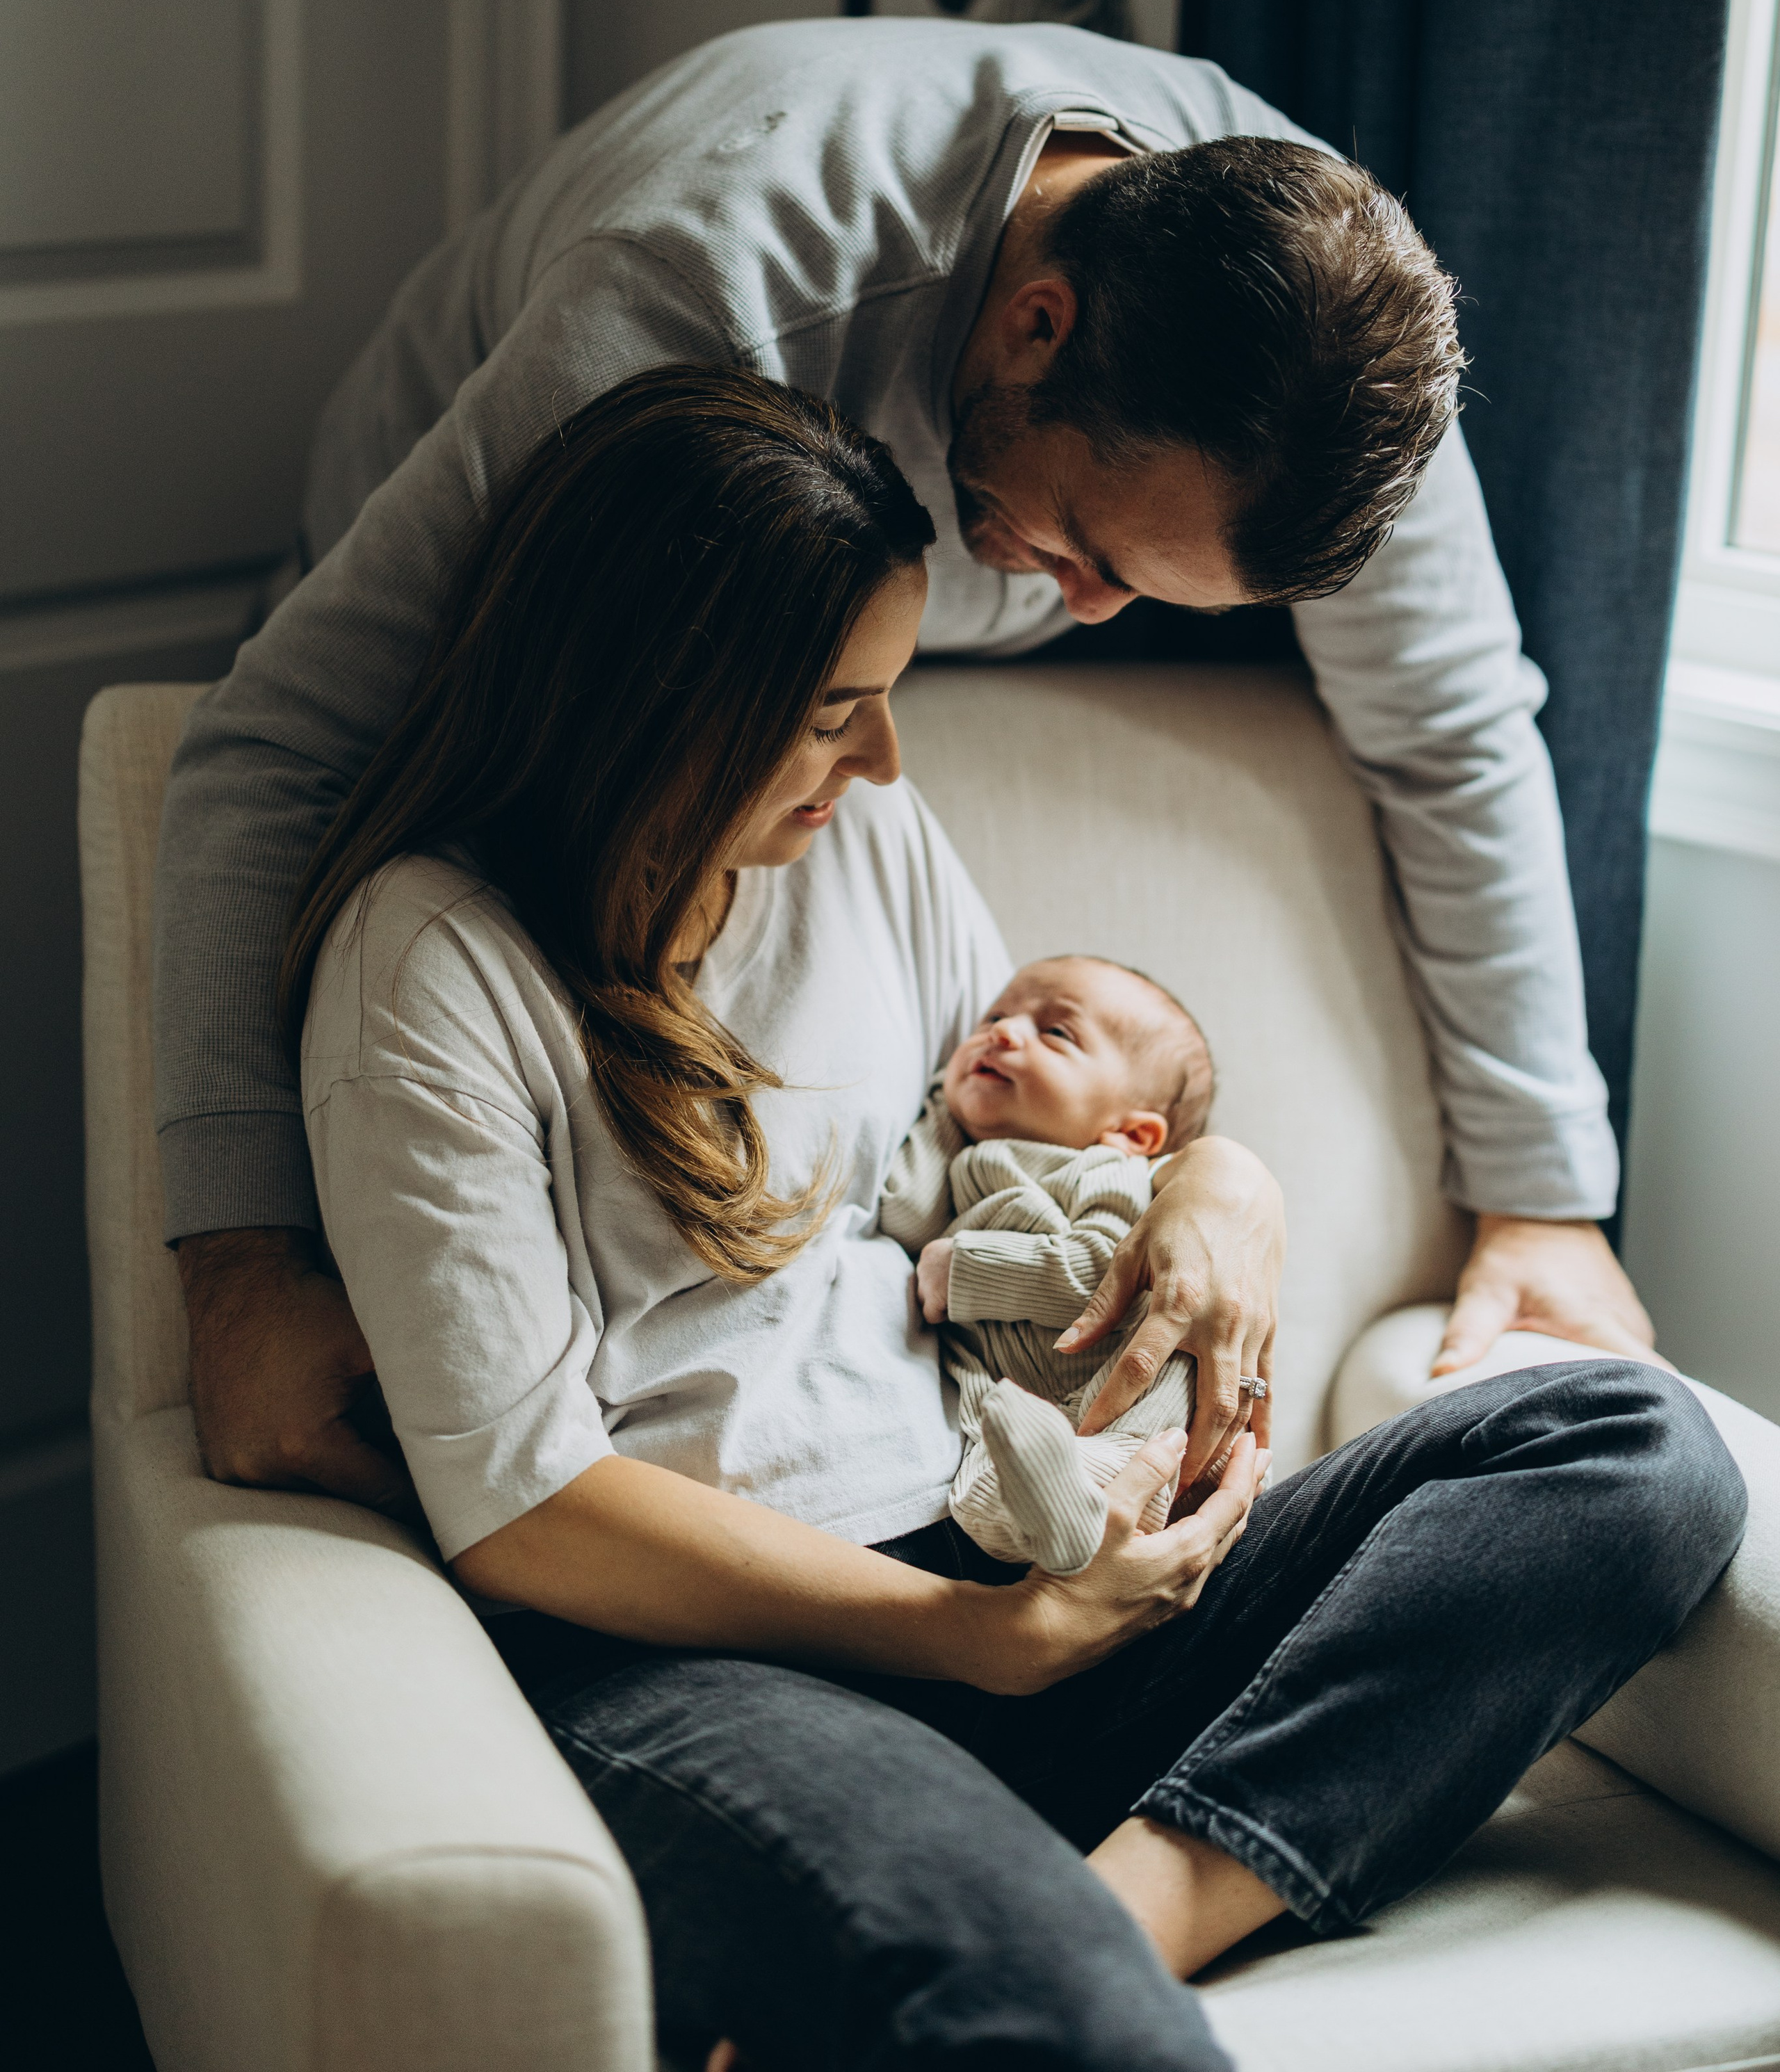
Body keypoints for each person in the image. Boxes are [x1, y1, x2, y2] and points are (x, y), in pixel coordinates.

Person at [287, 368, 1742, 2072]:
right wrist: (968, 1640)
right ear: (656, 699)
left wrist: (1223, 1180)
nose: (885, 758)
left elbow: (1044, 1129)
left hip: (1023, 1579)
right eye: (834, 710)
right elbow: (524, 1510)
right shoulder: (432, 965)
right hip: (710, 1662)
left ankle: (1124, 1909)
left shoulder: (853, 840)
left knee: (1630, 1448)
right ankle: (1054, 1966)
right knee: (1063, 2019)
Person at [156, 16, 1658, 1522]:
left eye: (1149, 592)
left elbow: (1453, 734)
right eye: (1089, 550)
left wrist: (1534, 1199)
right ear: (1037, 326)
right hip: (483, 548)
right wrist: (240, 1262)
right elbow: (278, 743)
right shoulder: (698, 301)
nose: (1087, 615)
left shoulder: (1327, 346)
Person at [877, 954, 1216, 1574]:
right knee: (978, 1500)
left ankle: (1086, 1496)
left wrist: (967, 1271)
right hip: (1023, 1416)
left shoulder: (1107, 1170)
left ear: (1131, 1133)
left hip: (1124, 1393)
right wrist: (948, 1105)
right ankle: (1061, 1523)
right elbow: (906, 1214)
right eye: (994, 1018)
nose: (1002, 1033)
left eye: (1056, 1032)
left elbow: (1103, 1277)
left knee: (1141, 1445)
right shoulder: (966, 1164)